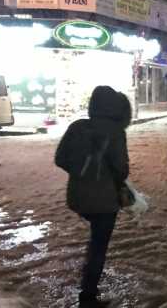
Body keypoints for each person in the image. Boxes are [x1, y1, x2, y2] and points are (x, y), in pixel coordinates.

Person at [55, 86, 131, 308]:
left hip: (77, 198)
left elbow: (60, 159)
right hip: (105, 201)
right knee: (99, 246)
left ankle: (91, 272)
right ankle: (88, 296)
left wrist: (81, 173)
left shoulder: (77, 127)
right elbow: (121, 169)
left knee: (95, 239)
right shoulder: (117, 132)